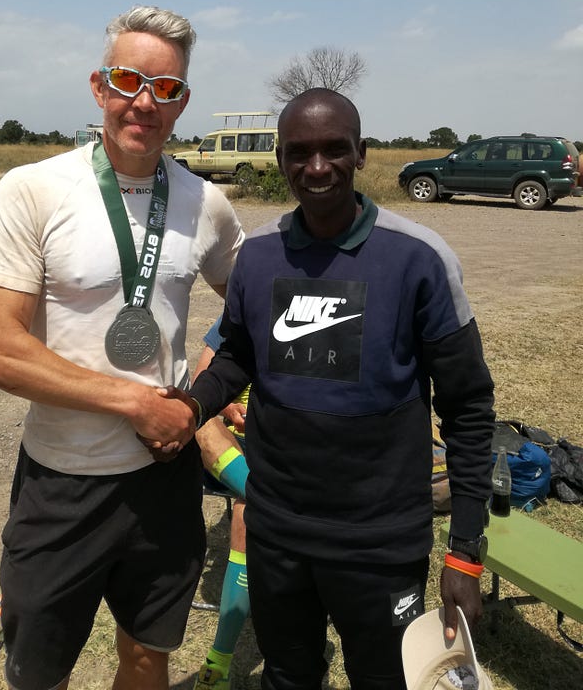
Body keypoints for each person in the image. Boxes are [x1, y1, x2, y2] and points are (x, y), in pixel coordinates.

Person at [0, 5, 244, 690]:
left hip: (164, 482)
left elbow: (254, 305)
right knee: (39, 673)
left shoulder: (205, 202)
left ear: (182, 103)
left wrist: (217, 385)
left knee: (149, 655)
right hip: (60, 483)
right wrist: (133, 401)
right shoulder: (33, 189)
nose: (145, 102)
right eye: (129, 80)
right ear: (99, 87)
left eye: (167, 89)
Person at [187, 88, 496, 690]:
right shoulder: (258, 256)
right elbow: (238, 356)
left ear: (361, 153)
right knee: (287, 675)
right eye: (299, 152)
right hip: (278, 531)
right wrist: (192, 403)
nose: (317, 167)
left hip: (380, 541)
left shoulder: (418, 259)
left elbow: (469, 409)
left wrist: (464, 552)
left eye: (334, 149)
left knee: (384, 679)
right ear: (280, 160)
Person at [192, 317, 250, 690]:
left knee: (250, 509)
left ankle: (219, 660)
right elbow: (200, 381)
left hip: (275, 447)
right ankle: (261, 490)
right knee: (198, 417)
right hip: (225, 447)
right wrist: (226, 407)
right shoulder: (236, 315)